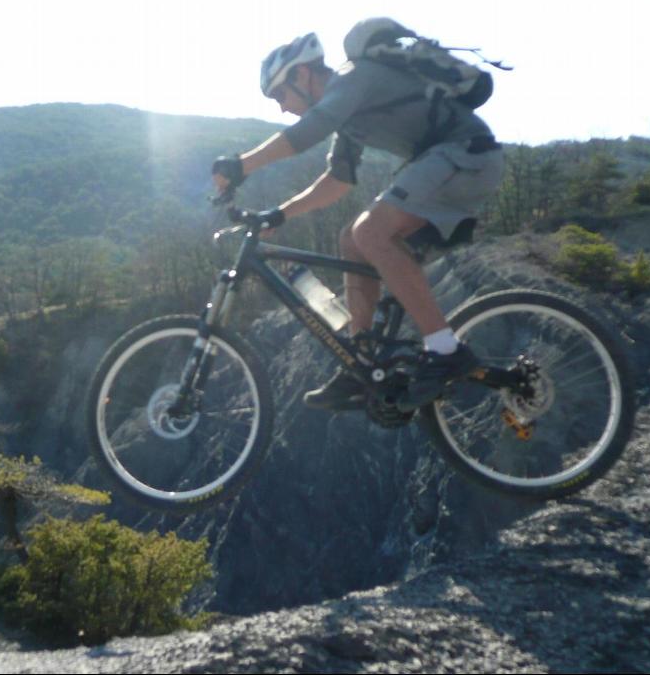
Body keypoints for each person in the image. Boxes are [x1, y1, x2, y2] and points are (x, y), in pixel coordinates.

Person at [212, 29, 505, 411]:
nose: (281, 107)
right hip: (447, 161)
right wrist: (281, 213)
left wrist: (241, 165)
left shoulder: (355, 76)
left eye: (280, 94)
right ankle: (362, 363)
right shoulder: (348, 115)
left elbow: (307, 132)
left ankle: (445, 349)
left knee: (371, 232)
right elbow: (338, 181)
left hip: (467, 153)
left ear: (302, 74)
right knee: (353, 240)